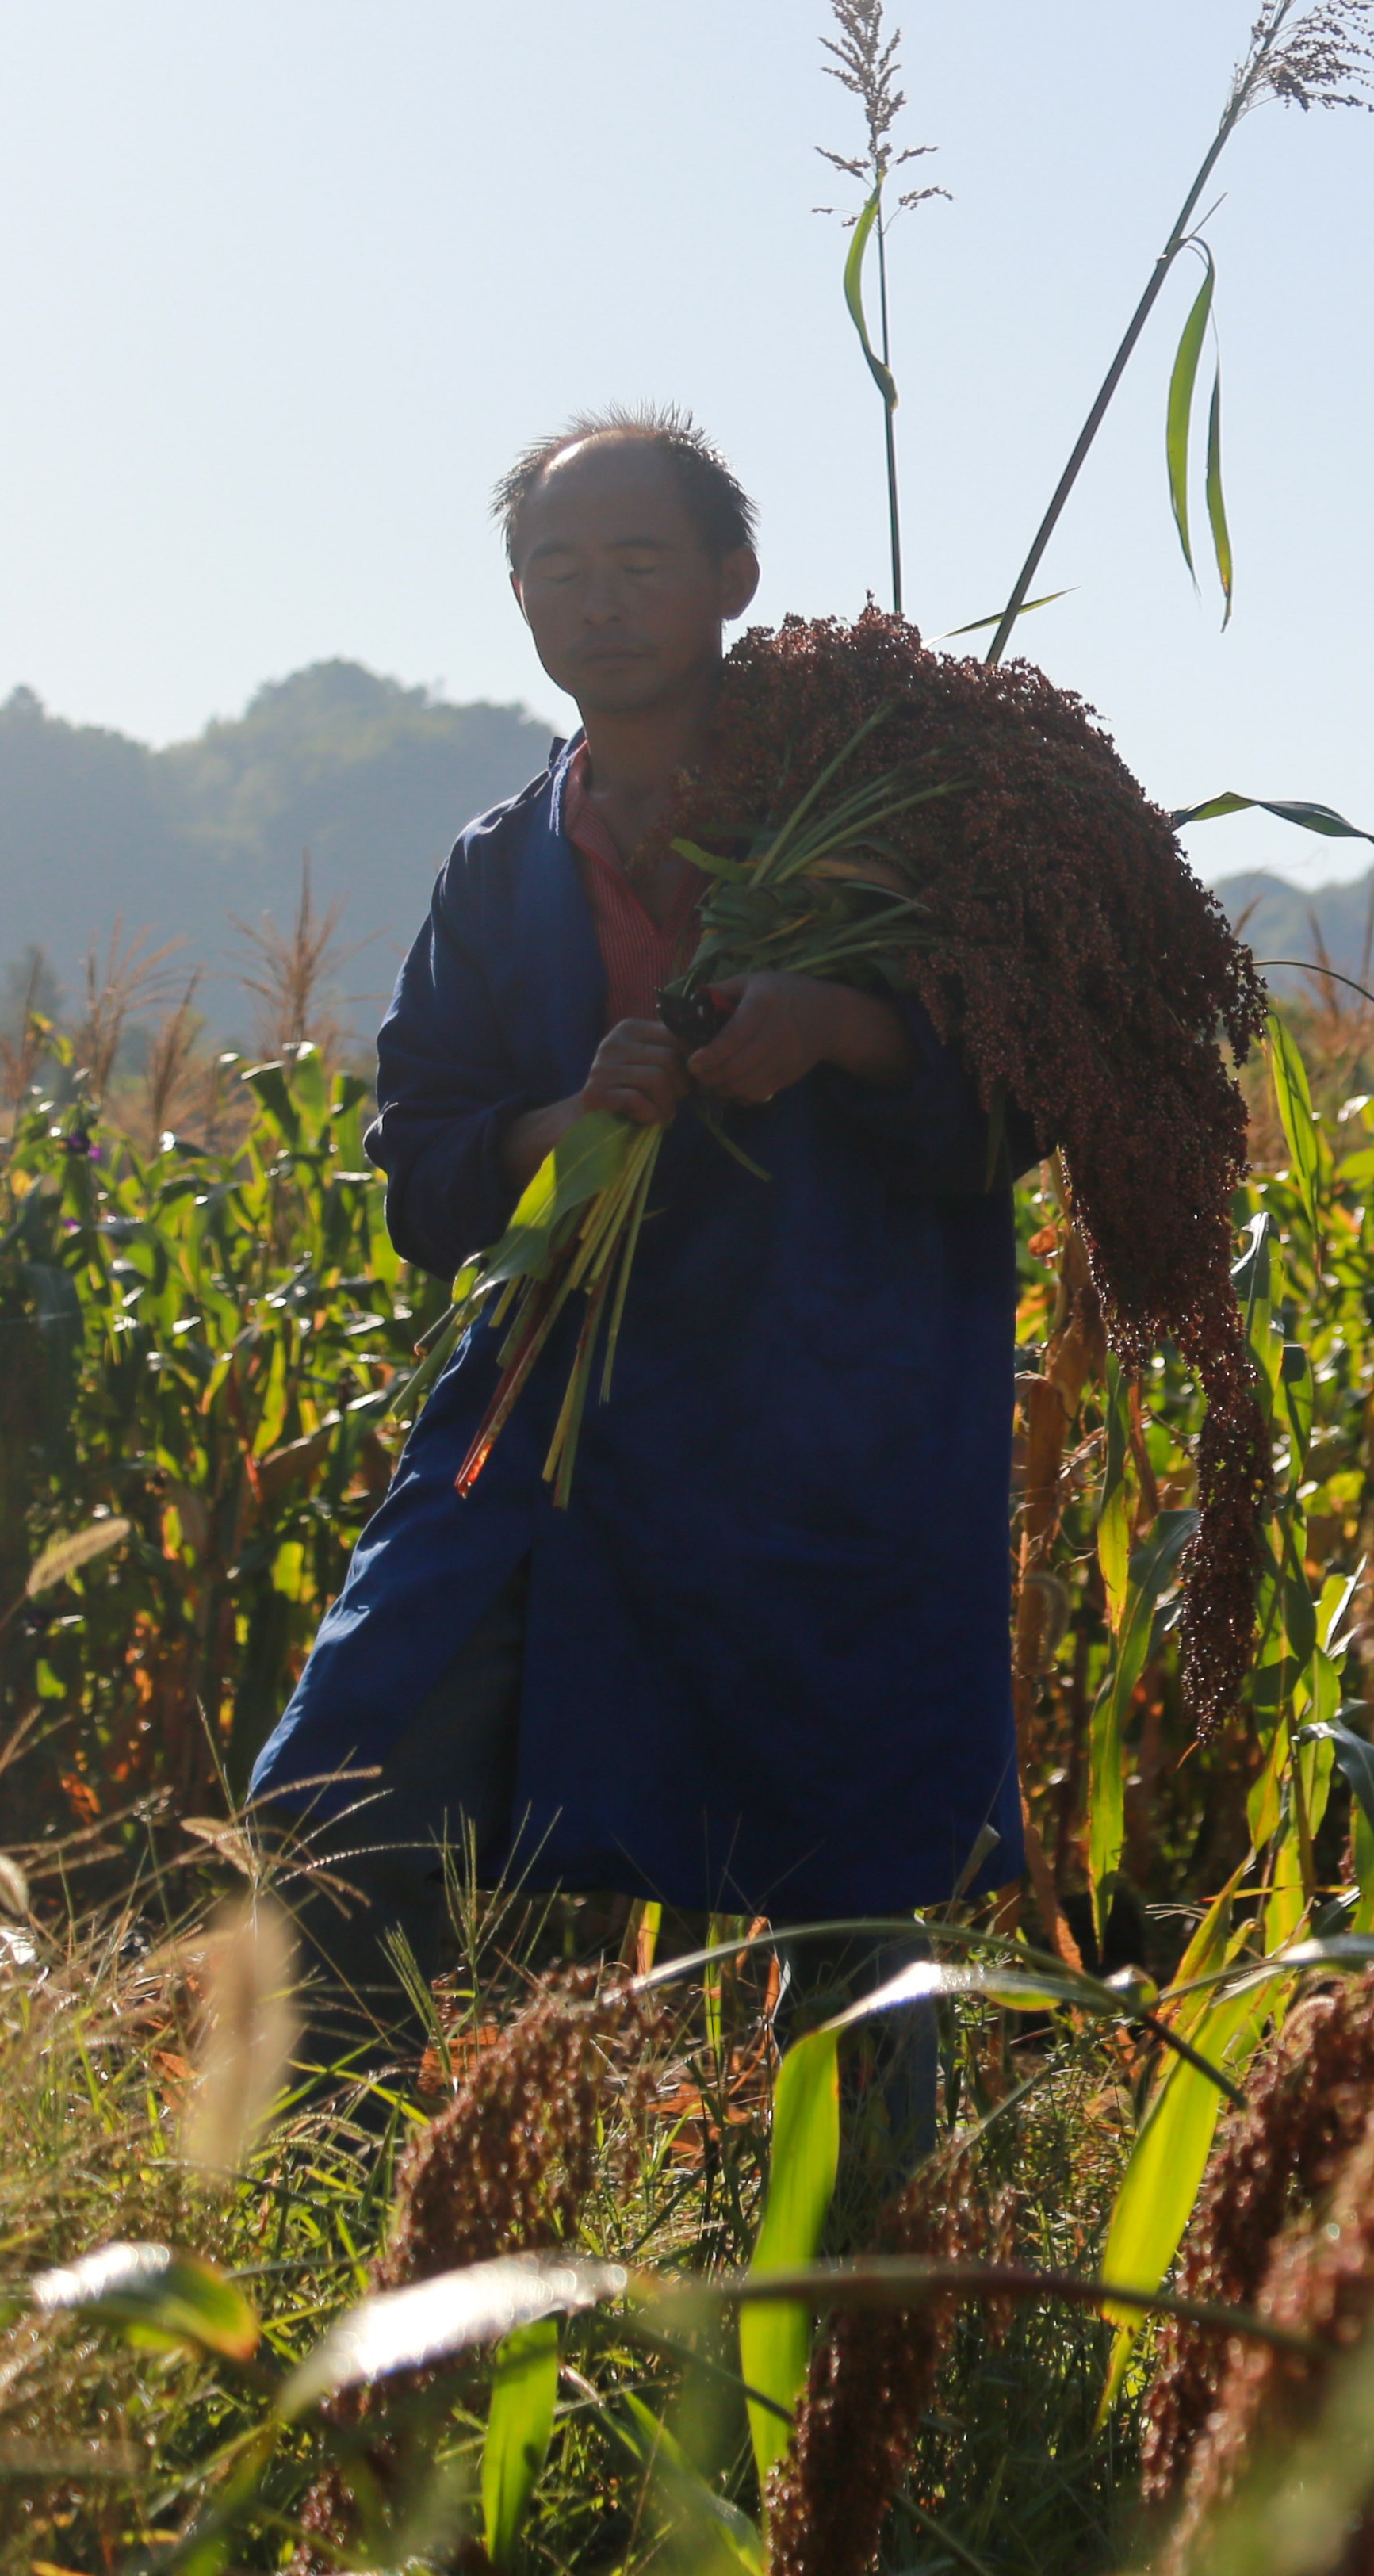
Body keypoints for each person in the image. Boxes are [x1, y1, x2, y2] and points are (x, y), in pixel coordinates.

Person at [248, 411, 1031, 2113]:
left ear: (733, 580)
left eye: (636, 563)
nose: (592, 601)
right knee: (340, 1777)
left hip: (828, 1391)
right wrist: (565, 1118)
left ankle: (868, 2304)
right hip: (554, 1393)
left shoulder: (887, 818)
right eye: (554, 567)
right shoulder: (495, 864)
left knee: (848, 1875)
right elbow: (427, 1159)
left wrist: (835, 1025)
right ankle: (351, 2224)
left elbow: (1024, 1088)